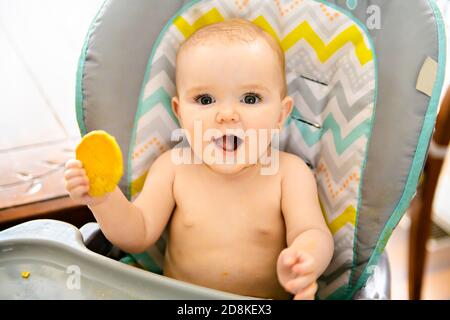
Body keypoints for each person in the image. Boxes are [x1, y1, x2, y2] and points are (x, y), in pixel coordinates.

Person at [64, 19, 334, 300]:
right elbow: (137, 233)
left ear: (280, 115)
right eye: (205, 100)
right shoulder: (174, 168)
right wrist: (103, 199)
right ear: (180, 113)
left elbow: (312, 231)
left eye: (250, 99)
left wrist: (306, 259)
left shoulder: (288, 174)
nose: (227, 114)